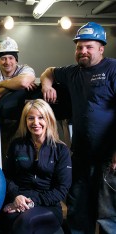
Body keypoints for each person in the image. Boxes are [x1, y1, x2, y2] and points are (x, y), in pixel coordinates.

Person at [40, 22, 116, 234]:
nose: (82, 51)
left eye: (89, 47)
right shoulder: (72, 72)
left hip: (108, 158)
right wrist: (46, 85)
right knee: (78, 210)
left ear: (101, 48)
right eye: (79, 47)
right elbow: (48, 72)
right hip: (81, 155)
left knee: (108, 215)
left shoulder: (112, 69)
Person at [2, 99, 72, 234]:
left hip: (48, 205)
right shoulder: (16, 145)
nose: (36, 123)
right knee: (8, 218)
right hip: (18, 200)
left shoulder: (61, 150)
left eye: (41, 118)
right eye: (30, 118)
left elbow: (62, 189)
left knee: (26, 221)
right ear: (25, 121)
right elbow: (6, 176)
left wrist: (31, 202)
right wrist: (16, 196)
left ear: (49, 120)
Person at [0, 37, 37, 159]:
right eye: (3, 58)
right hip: (5, 117)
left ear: (16, 60)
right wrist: (15, 85)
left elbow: (23, 82)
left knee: (28, 150)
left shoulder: (25, 69)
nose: (7, 62)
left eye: (11, 58)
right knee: (7, 153)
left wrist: (1, 84)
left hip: (26, 116)